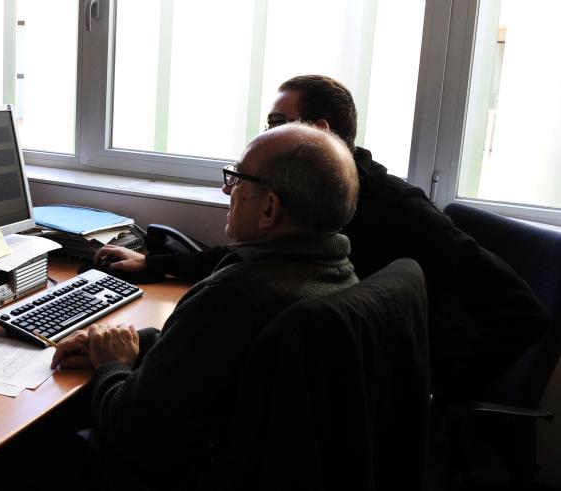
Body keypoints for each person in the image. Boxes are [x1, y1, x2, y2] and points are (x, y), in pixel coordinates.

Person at [94, 74, 549, 401]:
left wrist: (425, 390)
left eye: (277, 123)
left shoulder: (396, 208)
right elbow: (273, 257)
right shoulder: (326, 220)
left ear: (318, 133)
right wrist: (156, 265)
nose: (268, 133)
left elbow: (522, 313)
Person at [52, 123, 360, 487]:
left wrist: (112, 364)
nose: (226, 189)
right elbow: (208, 357)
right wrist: (133, 343)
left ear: (269, 210)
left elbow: (130, 431)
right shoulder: (335, 271)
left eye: (237, 179)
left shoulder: (234, 297)